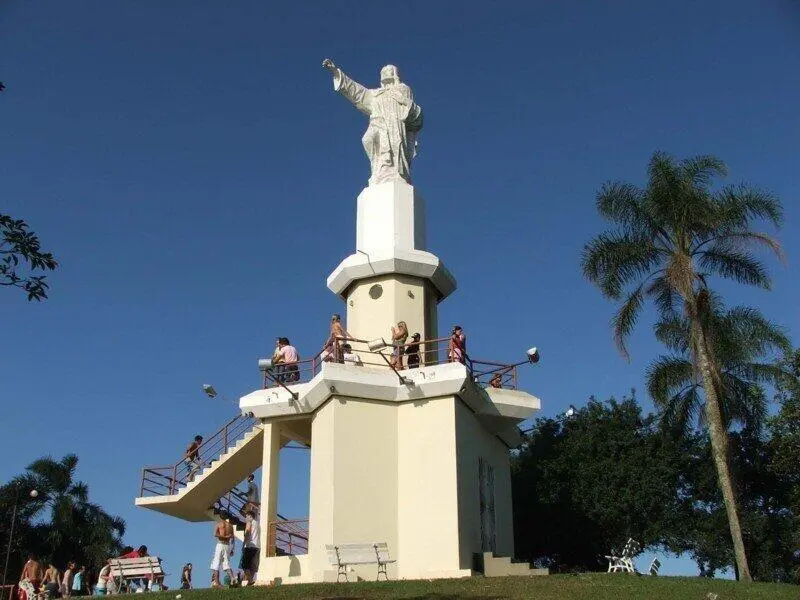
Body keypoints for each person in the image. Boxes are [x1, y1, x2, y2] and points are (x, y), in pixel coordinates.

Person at [209, 518, 235, 588]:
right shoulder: (230, 526)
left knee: (216, 564)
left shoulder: (219, 524)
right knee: (226, 563)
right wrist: (232, 548)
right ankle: (232, 578)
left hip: (220, 544)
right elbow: (232, 538)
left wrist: (224, 536)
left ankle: (217, 583)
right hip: (227, 545)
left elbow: (215, 534)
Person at [240, 509, 260, 586]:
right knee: (253, 565)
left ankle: (250, 579)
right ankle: (250, 581)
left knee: (244, 565)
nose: (245, 518)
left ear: (250, 516)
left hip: (250, 546)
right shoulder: (257, 524)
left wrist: (243, 544)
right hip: (257, 546)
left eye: (246, 516)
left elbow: (247, 533)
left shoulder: (249, 522)